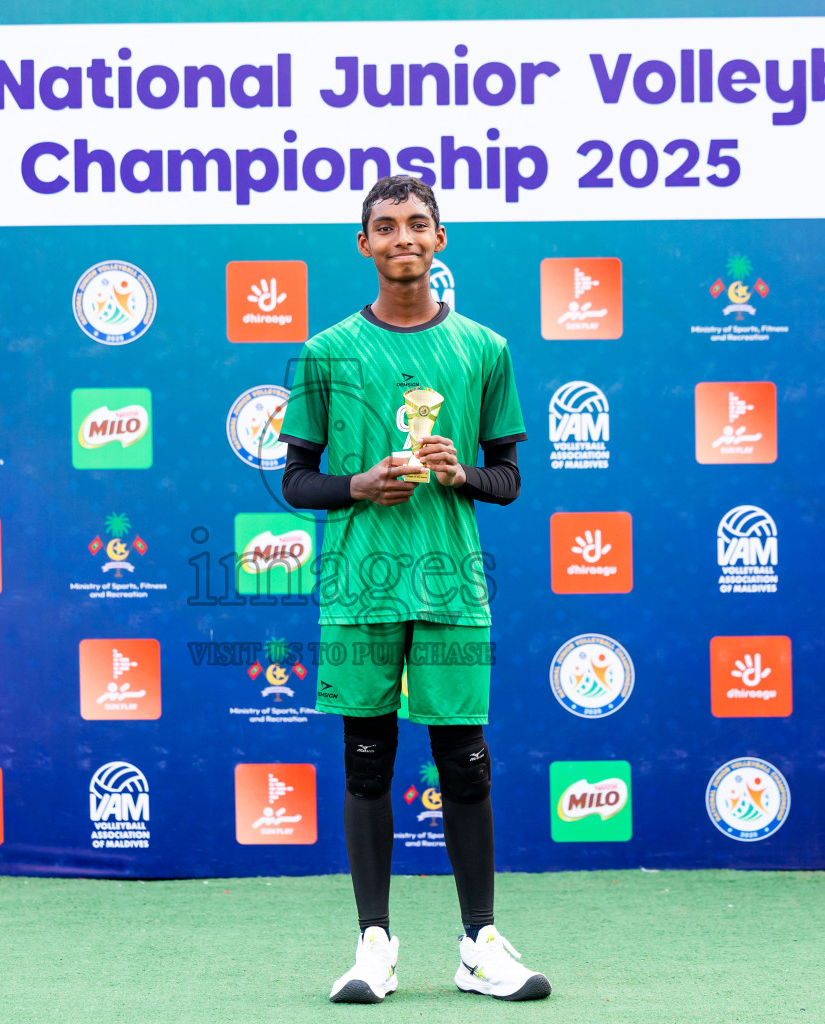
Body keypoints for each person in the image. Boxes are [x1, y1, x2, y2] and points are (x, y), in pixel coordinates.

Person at [278, 175, 551, 1004]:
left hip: (450, 586)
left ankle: (481, 946)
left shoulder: (484, 349)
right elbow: (296, 481)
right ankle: (374, 947)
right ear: (364, 243)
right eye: (387, 225)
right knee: (367, 764)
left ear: (440, 239)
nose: (404, 236)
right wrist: (358, 485)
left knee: (465, 764)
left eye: (418, 223)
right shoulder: (325, 352)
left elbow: (508, 479)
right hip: (360, 585)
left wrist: (460, 473)